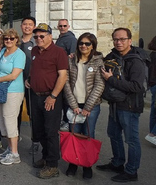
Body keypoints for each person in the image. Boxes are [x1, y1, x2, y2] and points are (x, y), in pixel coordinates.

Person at [97, 28, 147, 182]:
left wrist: (111, 80)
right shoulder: (112, 56)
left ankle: (131, 171)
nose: (119, 42)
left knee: (131, 140)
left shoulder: (136, 60)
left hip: (130, 106)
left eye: (122, 39)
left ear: (130, 41)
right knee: (114, 135)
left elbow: (137, 87)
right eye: (116, 39)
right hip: (114, 104)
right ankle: (117, 163)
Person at [27, 23, 68, 179]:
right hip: (35, 95)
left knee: (51, 132)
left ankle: (53, 165)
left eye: (41, 36)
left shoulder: (59, 52)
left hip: (51, 97)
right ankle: (45, 157)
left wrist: (53, 96)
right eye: (36, 36)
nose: (38, 39)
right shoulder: (35, 51)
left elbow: (62, 76)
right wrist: (30, 79)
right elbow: (36, 70)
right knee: (39, 130)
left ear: (50, 36)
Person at [63, 32, 105, 179]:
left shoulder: (98, 61)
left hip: (91, 106)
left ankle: (87, 165)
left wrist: (88, 107)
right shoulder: (71, 60)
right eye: (81, 43)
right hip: (74, 104)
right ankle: (73, 163)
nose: (84, 46)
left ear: (93, 45)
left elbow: (99, 85)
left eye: (87, 43)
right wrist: (73, 104)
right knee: (74, 134)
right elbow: (66, 83)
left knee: (88, 135)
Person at [0, 29, 26, 165]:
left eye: (12, 38)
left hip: (13, 90)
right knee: (2, 121)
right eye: (6, 38)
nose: (9, 40)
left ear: (16, 40)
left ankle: (15, 153)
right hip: (0, 89)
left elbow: (14, 75)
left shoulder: (19, 54)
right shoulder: (3, 51)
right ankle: (9, 148)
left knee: (10, 121)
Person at [18, 16, 39, 153]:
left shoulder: (38, 42)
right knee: (16, 113)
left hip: (32, 83)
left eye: (30, 24)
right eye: (25, 24)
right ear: (21, 26)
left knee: (33, 113)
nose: (27, 27)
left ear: (34, 26)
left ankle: (35, 141)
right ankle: (15, 138)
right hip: (17, 82)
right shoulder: (15, 42)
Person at [146, 36, 156, 146]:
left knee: (154, 110)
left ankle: (152, 133)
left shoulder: (151, 55)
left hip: (153, 85)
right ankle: (153, 134)